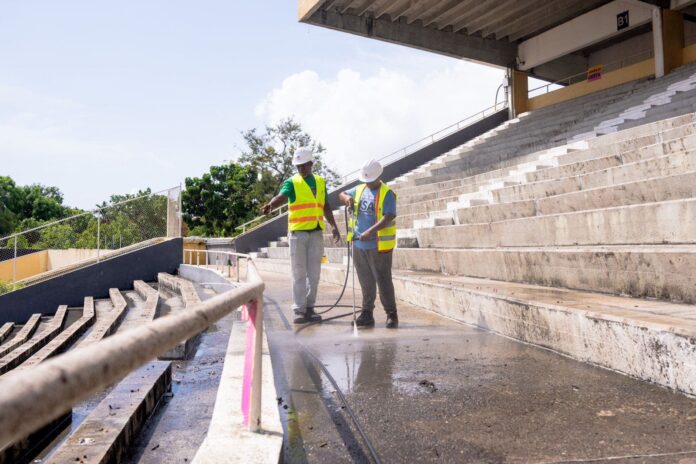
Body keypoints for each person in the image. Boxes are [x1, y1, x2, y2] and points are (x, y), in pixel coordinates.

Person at [261, 147, 340, 324]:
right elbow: (282, 196)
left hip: (316, 233)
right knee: (298, 274)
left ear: (311, 164)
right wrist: (271, 205)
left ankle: (310, 308)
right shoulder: (292, 182)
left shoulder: (320, 181)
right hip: (298, 234)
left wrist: (334, 226)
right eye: (298, 166)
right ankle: (299, 309)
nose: (301, 169)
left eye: (303, 165)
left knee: (314, 274)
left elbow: (325, 205)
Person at [338, 159, 398, 329]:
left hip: (378, 245)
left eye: (370, 180)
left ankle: (391, 314)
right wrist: (347, 199)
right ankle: (367, 313)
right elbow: (341, 194)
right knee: (365, 281)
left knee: (383, 281)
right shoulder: (359, 189)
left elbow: (388, 217)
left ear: (378, 177)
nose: (367, 183)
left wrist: (370, 231)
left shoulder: (387, 193)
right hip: (359, 245)